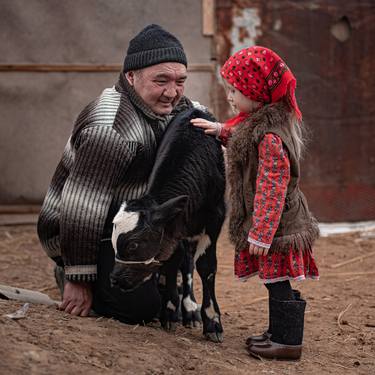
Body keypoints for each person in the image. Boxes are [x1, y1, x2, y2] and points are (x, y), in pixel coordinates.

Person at [37, 24, 201, 324]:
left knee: (168, 306)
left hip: (130, 221)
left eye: (181, 81)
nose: (172, 92)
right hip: (86, 229)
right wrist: (78, 277)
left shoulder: (172, 108)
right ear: (131, 77)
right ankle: (71, 272)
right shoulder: (111, 129)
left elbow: (196, 117)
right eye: (161, 80)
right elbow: (81, 206)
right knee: (139, 309)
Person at [191, 46, 319, 360]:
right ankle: (279, 333)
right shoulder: (261, 123)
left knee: (276, 281)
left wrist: (262, 232)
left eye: (234, 91)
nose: (230, 97)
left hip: (277, 225)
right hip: (275, 222)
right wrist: (221, 131)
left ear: (255, 93)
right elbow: (243, 137)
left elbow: (271, 189)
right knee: (274, 280)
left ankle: (288, 342)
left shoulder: (271, 137)